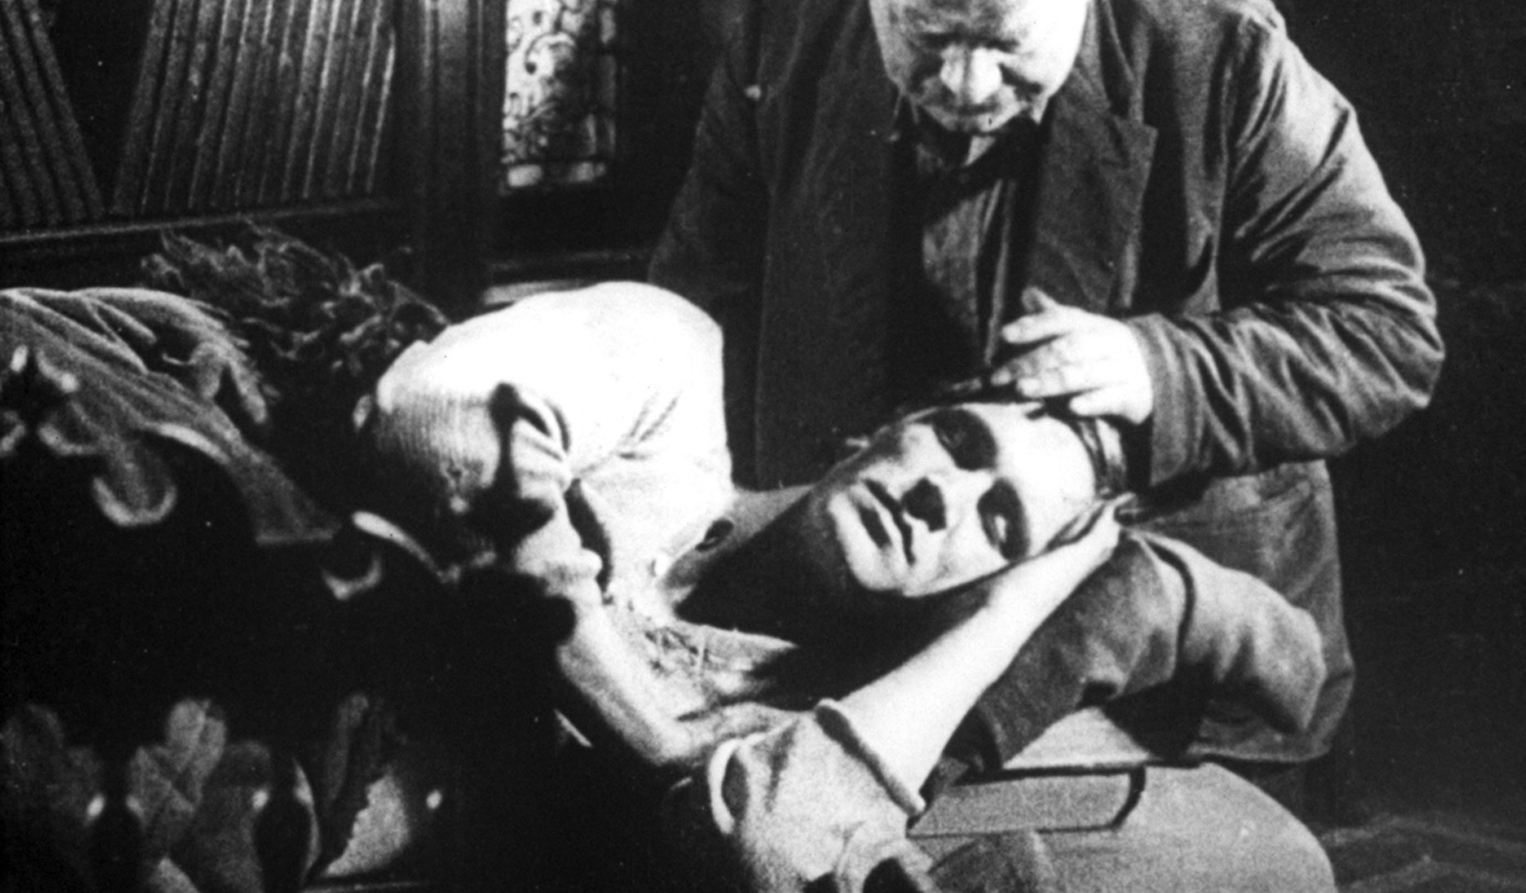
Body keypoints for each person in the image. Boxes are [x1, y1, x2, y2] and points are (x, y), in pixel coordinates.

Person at [650, 0, 1445, 779]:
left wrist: (1160, 371)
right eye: (925, 35)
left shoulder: (1223, 51)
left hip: (1145, 656)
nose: (964, 84)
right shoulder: (793, 6)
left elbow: (1387, 330)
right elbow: (690, 303)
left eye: (1004, 42)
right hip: (857, 632)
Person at [359, 278, 1333, 892]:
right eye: (959, 440)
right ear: (893, 418)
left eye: (997, 520)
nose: (939, 499)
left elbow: (774, 845)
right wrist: (652, 734)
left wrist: (1012, 616)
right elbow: (439, 417)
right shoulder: (673, 386)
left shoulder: (829, 727)